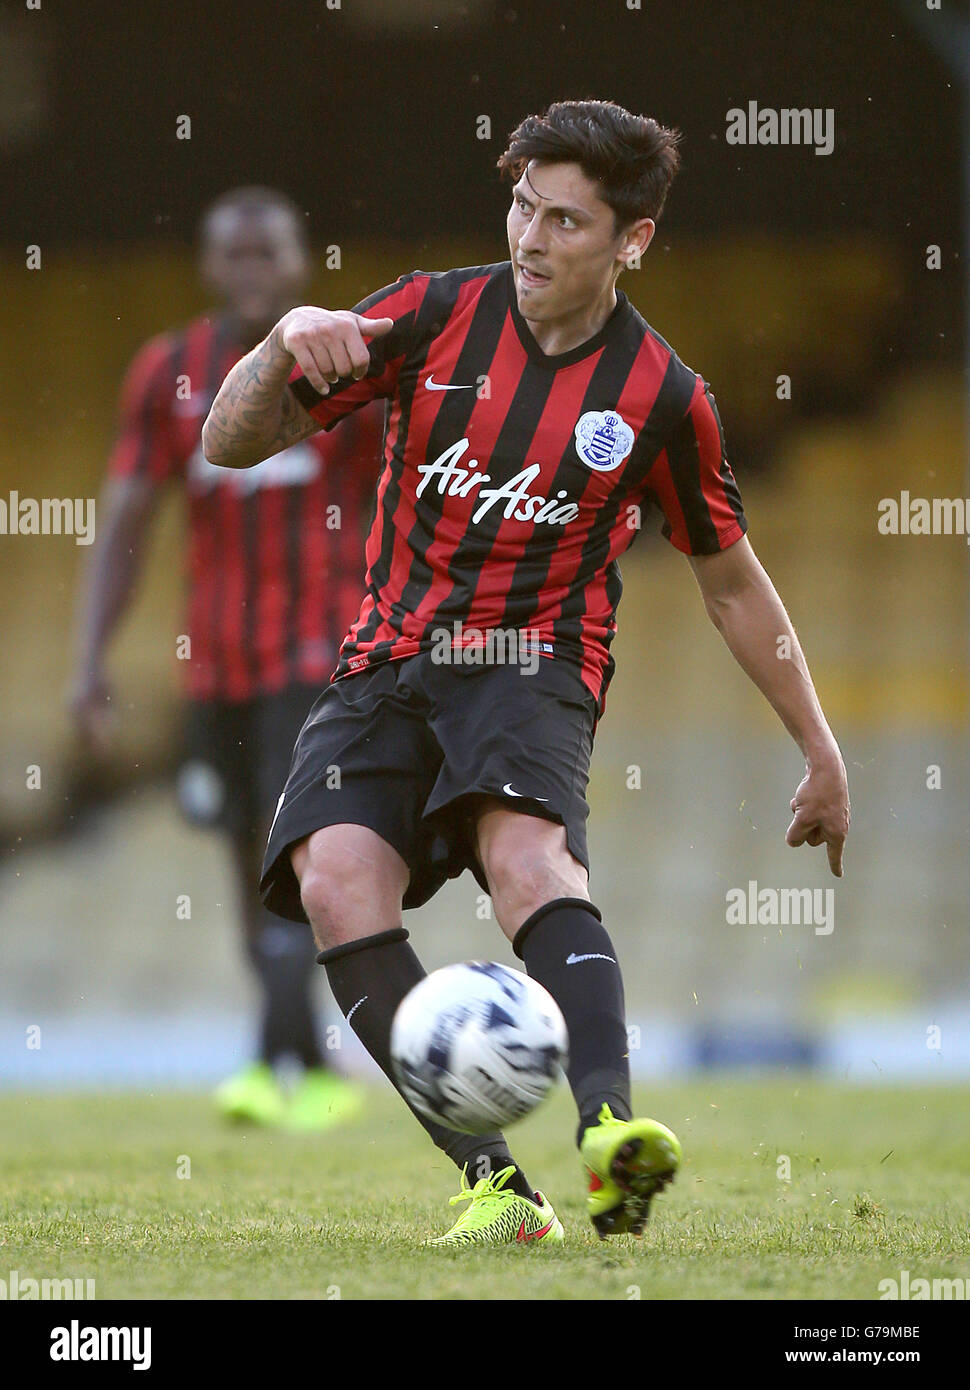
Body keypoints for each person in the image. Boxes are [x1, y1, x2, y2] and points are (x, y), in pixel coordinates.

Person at [200, 102, 850, 1244]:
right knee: (334, 884)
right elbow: (228, 440)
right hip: (388, 656)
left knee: (524, 856)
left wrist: (818, 743)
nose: (530, 238)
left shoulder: (660, 397)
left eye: (564, 218)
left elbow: (732, 582)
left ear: (630, 240)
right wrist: (281, 339)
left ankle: (611, 1137)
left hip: (530, 660)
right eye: (519, 206)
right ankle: (498, 1190)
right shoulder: (428, 313)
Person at [70, 187, 382, 1131]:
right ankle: (305, 1069)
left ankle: (272, 1064)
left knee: (295, 859)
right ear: (211, 267)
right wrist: (89, 659)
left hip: (316, 658)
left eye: (270, 256)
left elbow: (409, 490)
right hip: (213, 669)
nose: (253, 272)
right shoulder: (169, 371)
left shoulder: (346, 366)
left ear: (303, 263)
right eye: (234, 258)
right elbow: (127, 514)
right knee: (249, 865)